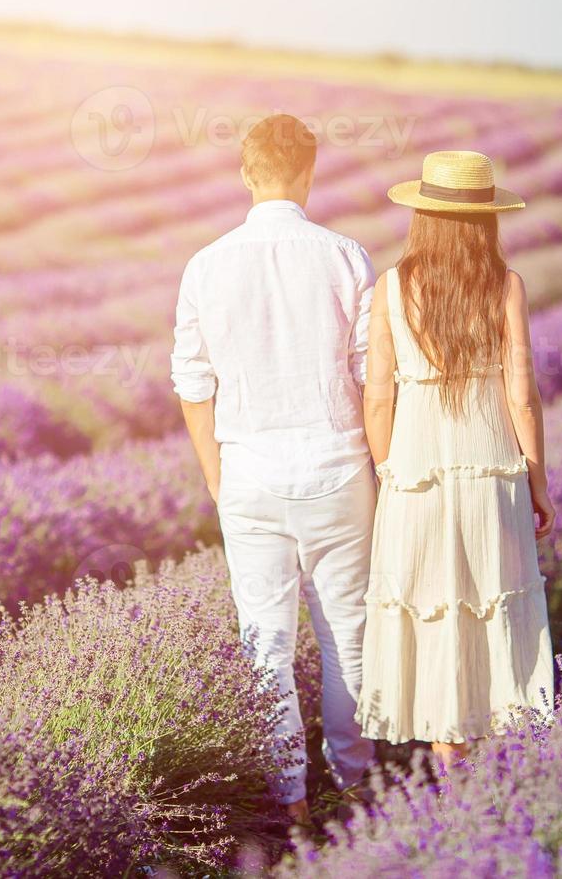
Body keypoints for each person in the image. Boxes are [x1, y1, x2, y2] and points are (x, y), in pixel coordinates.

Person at [171, 113, 376, 827]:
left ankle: (288, 804)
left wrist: (216, 476)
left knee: (266, 645)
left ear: (245, 174)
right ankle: (354, 788)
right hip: (339, 468)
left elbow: (193, 382)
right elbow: (370, 376)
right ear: (310, 173)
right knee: (348, 635)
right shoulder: (346, 256)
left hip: (248, 473)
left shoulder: (206, 264)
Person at [355, 150, 556, 770]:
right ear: (487, 220)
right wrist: (539, 480)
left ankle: (448, 777)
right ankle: (491, 785)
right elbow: (521, 394)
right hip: (490, 468)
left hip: (415, 475)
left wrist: (391, 471)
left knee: (432, 614)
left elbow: (378, 394)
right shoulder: (506, 284)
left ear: (421, 214)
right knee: (490, 610)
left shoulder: (390, 287)